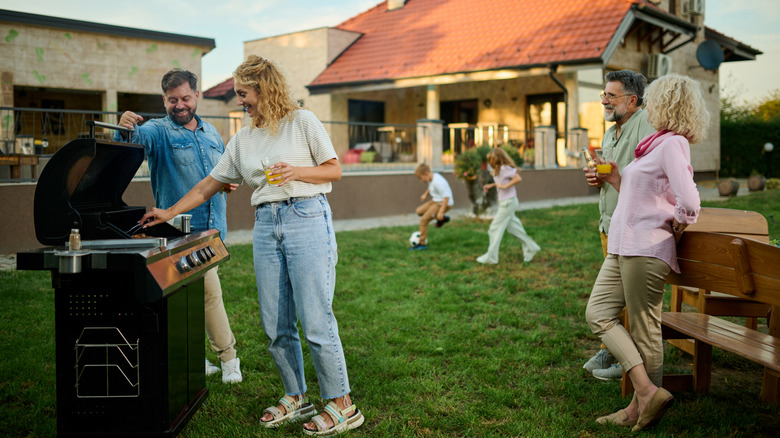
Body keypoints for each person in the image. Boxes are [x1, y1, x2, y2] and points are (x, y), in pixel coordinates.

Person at [137, 55, 364, 436]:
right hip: (266, 224)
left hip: (306, 215)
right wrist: (169, 212)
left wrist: (296, 171)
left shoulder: (302, 121)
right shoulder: (243, 139)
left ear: (265, 89)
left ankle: (343, 404)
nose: (239, 100)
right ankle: (296, 396)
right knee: (275, 322)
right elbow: (208, 185)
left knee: (315, 318)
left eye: (243, 93)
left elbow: (334, 169)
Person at [585, 73, 708, 431]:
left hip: (645, 246)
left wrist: (676, 222)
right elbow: (645, 193)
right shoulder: (657, 144)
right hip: (623, 244)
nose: (648, 105)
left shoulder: (673, 145)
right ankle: (647, 393)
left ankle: (639, 409)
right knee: (597, 313)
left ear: (668, 103)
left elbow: (689, 201)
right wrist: (615, 179)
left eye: (653, 100)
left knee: (644, 329)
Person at [115, 69, 242, 384]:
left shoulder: (212, 133)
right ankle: (229, 359)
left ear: (196, 96)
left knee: (190, 297)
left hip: (214, 228)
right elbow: (134, 141)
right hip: (180, 232)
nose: (180, 105)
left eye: (185, 98)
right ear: (164, 100)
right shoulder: (158, 130)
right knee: (209, 292)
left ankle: (193, 357)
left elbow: (219, 176)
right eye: (173, 100)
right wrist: (126, 128)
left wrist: (226, 184)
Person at [581, 70, 656, 381]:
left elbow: (649, 178)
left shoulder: (647, 125)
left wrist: (613, 176)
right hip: (609, 224)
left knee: (629, 300)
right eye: (604, 95)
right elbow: (610, 174)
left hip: (635, 228)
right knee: (615, 298)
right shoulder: (611, 132)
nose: (604, 101)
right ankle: (612, 350)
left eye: (611, 95)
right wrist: (597, 178)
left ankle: (628, 361)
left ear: (632, 100)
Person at [476, 148, 540, 264]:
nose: (490, 162)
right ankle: (531, 248)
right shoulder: (499, 169)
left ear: (498, 159)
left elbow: (518, 178)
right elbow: (502, 182)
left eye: (492, 160)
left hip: (508, 203)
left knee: (494, 229)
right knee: (514, 229)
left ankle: (491, 258)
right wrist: (492, 185)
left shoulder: (505, 168)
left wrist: (505, 187)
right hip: (506, 202)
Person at [411, 163, 454, 250]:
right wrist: (425, 194)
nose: (421, 180)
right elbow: (430, 187)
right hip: (435, 201)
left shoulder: (438, 182)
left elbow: (446, 197)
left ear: (426, 173)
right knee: (419, 211)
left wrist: (441, 211)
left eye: (421, 178)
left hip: (443, 203)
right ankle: (441, 218)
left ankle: (422, 244)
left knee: (424, 220)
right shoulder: (431, 177)